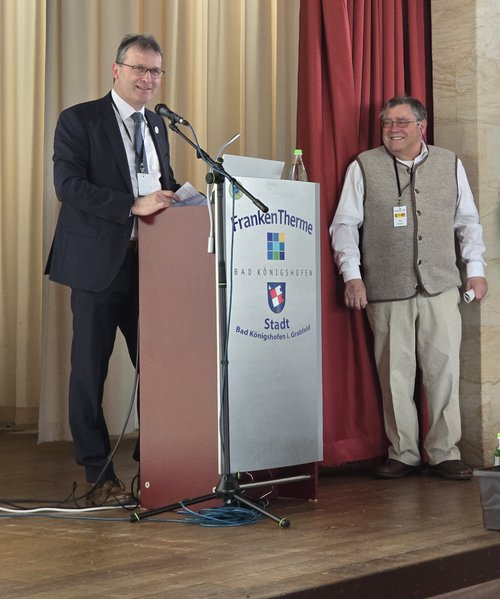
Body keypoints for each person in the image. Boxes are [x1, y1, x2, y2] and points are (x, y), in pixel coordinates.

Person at [45, 34, 181, 504]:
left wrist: (184, 195)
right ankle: (99, 474)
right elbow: (69, 186)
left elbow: (160, 182)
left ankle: (156, 465)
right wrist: (132, 205)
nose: (148, 79)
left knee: (161, 366)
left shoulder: (160, 126)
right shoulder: (80, 120)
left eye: (156, 72)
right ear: (116, 70)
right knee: (89, 370)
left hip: (152, 264)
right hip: (96, 264)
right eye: (140, 69)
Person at [330, 95, 487, 481]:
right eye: (386, 123)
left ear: (422, 126)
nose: (392, 129)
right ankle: (403, 452)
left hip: (440, 284)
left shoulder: (450, 163)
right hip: (385, 287)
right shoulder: (363, 166)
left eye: (401, 122)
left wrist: (476, 268)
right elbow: (345, 225)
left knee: (444, 370)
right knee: (394, 374)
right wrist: (352, 274)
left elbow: (468, 221)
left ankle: (445, 451)